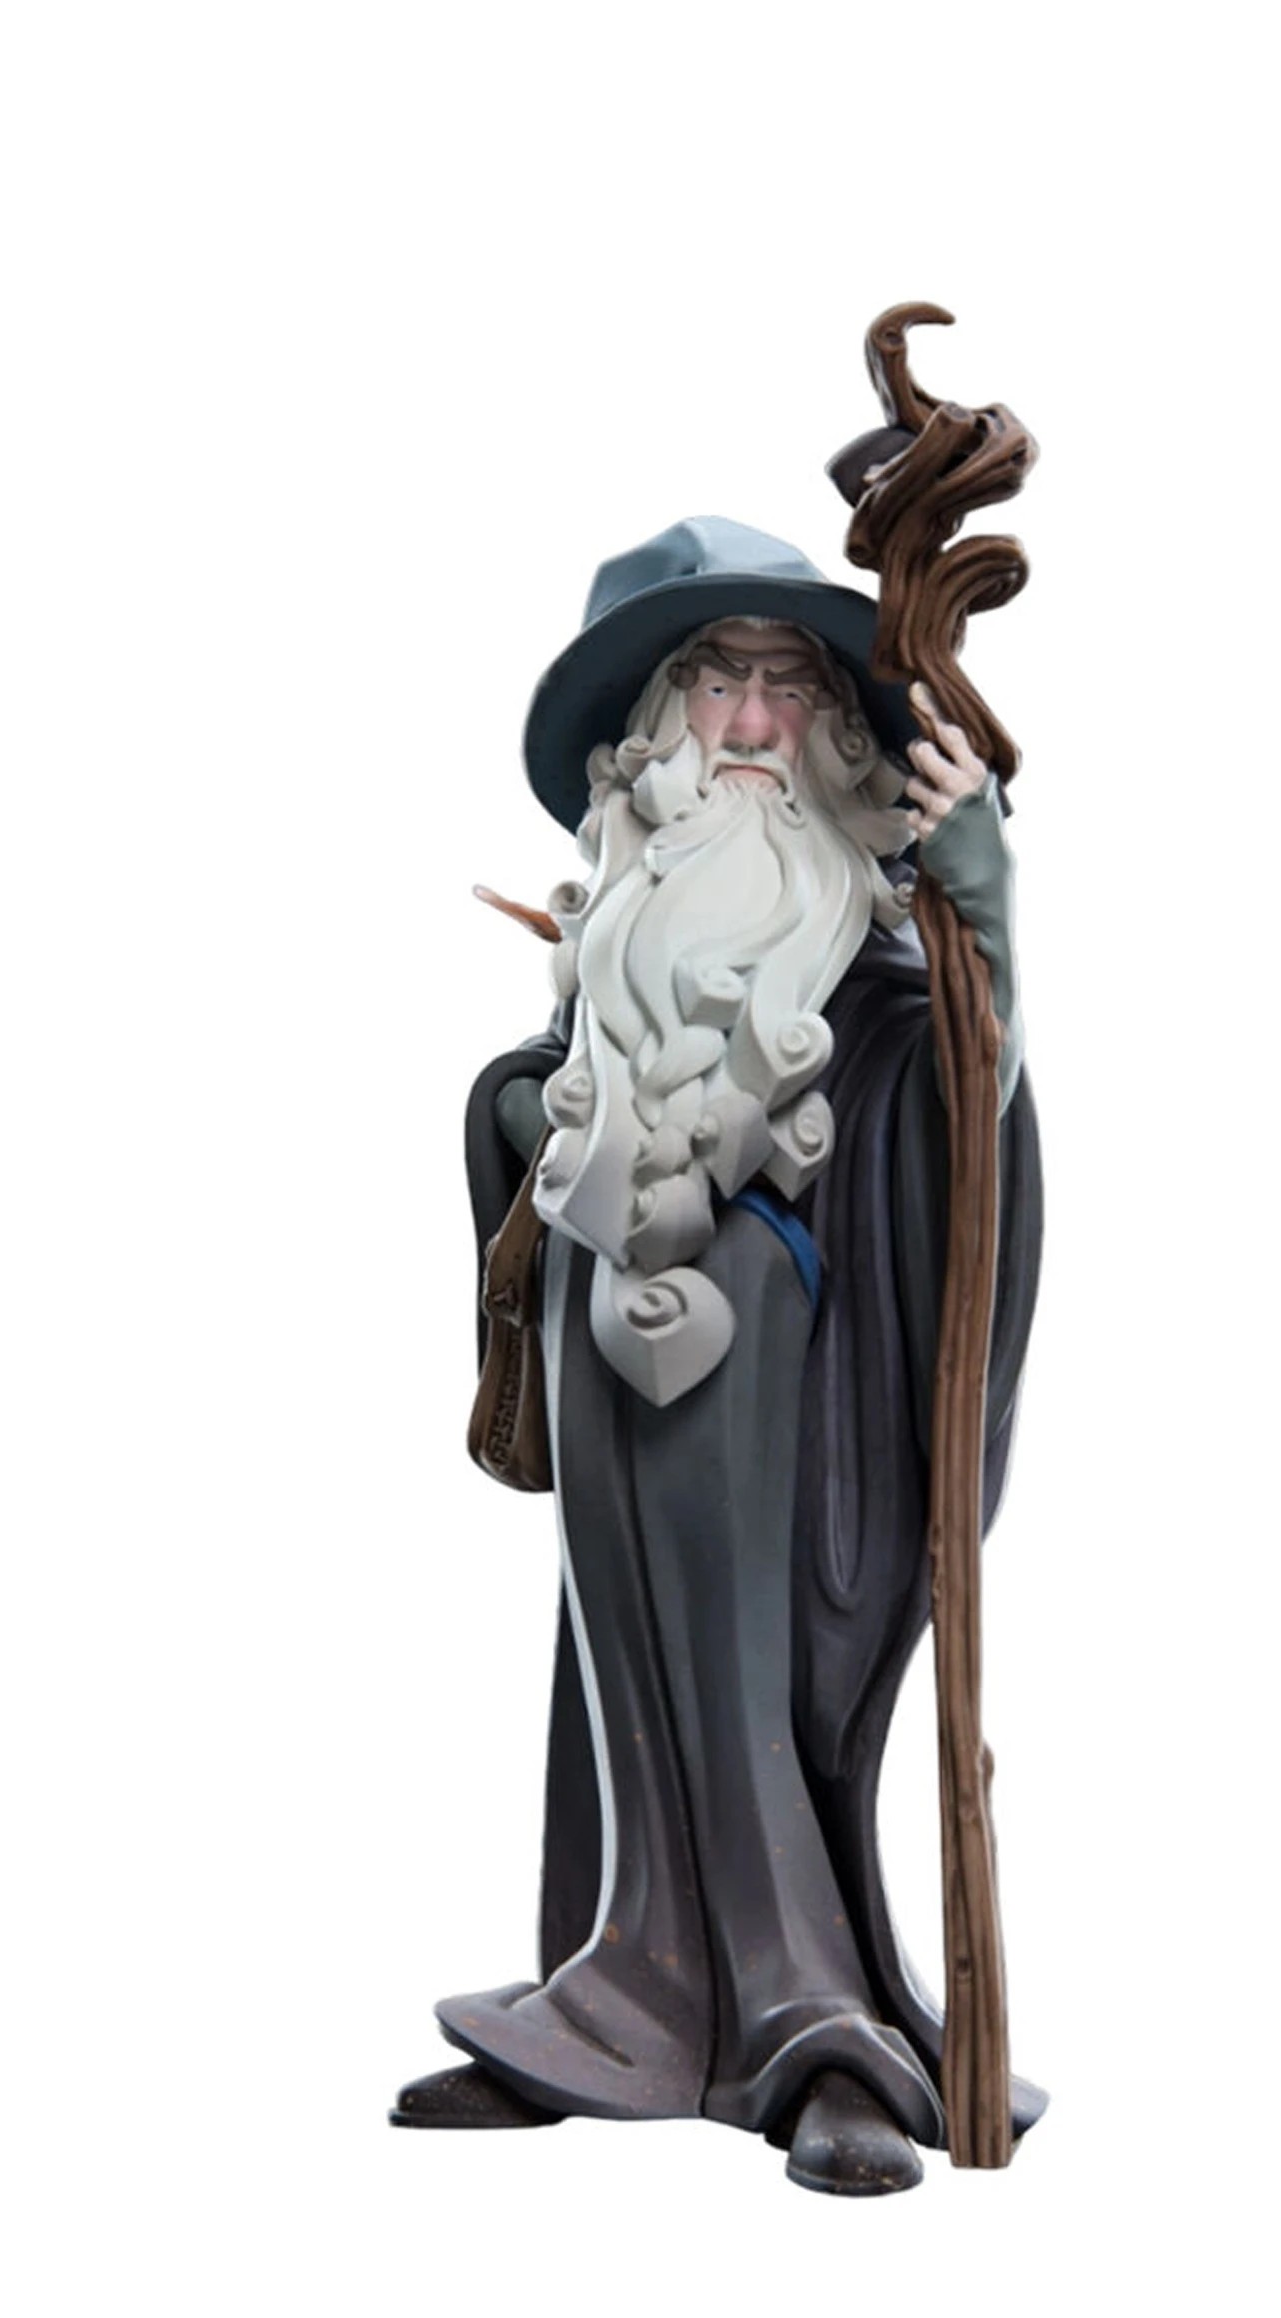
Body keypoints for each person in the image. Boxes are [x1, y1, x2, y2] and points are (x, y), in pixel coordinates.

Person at [393, 520, 1041, 2195]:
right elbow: (549, 1106)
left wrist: (979, 903)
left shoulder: (866, 968)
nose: (751, 723)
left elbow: (966, 1113)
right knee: (631, 1691)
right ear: (654, 731)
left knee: (763, 1701)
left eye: (786, 686)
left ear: (833, 733)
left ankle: (815, 2028)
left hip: (801, 1407)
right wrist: (529, 1118)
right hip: (613, 1374)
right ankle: (620, 1998)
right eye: (713, 682)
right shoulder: (625, 938)